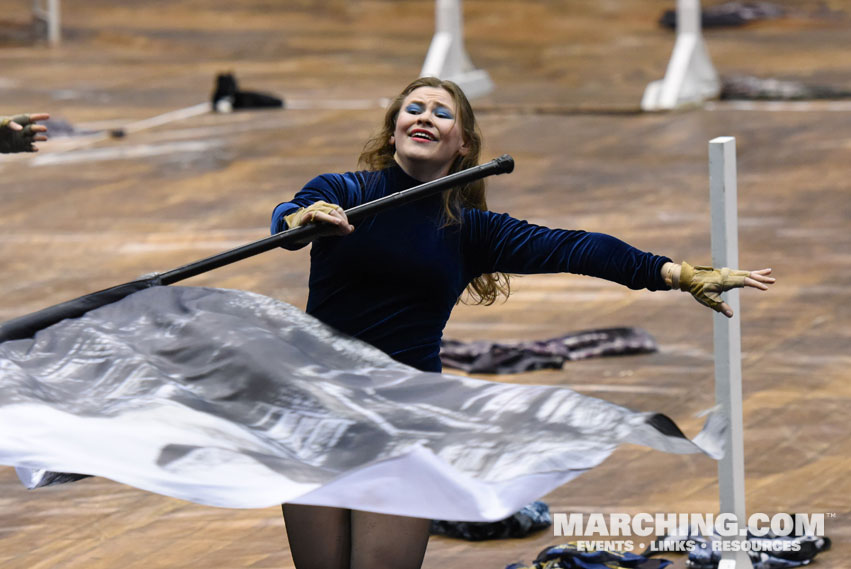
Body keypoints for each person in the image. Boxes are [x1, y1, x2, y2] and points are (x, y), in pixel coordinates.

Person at [269, 77, 774, 569]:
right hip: (317, 405)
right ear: (394, 128)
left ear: (462, 144)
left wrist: (674, 273)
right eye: (414, 108)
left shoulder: (471, 231)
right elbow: (287, 217)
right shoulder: (341, 193)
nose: (425, 117)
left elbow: (578, 248)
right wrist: (300, 220)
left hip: (405, 417)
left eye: (442, 113)